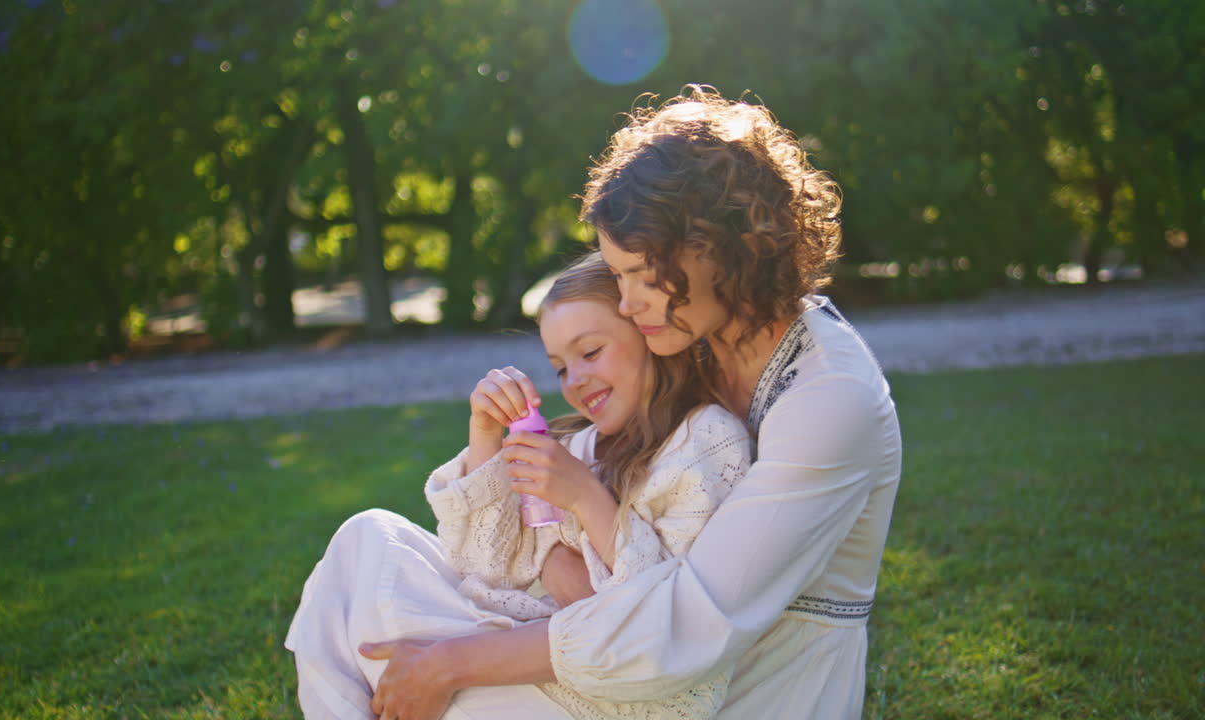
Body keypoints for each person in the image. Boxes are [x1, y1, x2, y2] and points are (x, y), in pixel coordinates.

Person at [362, 86, 902, 720]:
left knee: (426, 677)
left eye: (646, 275)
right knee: (366, 557)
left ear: (732, 248)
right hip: (616, 640)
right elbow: (556, 545)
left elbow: (688, 626)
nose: (626, 304)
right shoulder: (697, 340)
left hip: (751, 686)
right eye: (617, 275)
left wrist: (450, 662)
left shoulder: (828, 399)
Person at [285, 252, 753, 719]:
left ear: (650, 336)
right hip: (531, 649)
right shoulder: (577, 446)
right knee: (366, 538)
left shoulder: (707, 442)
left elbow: (665, 624)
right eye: (561, 368)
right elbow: (486, 571)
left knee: (367, 629)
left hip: (611, 696)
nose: (576, 381)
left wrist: (585, 500)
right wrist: (485, 436)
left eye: (590, 352)